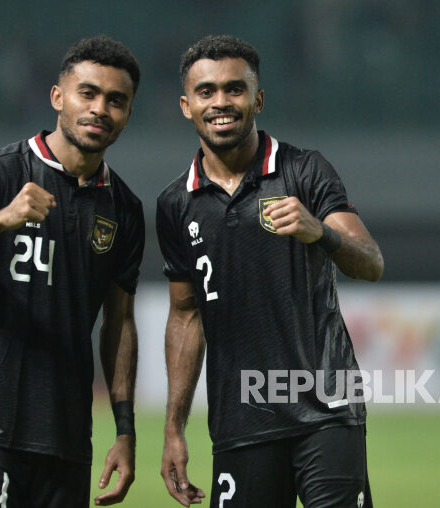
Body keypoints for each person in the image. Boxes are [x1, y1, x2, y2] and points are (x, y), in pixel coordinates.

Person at [157, 35, 384, 508]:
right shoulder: (175, 204)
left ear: (257, 99)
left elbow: (370, 261)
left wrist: (319, 231)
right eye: (206, 91)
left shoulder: (305, 171)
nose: (221, 102)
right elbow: (185, 315)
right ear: (186, 105)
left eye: (234, 89)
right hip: (241, 420)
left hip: (328, 406)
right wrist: (173, 429)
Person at [0, 35, 144, 508]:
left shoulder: (124, 209)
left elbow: (120, 322)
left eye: (116, 100)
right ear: (58, 97)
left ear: (127, 114)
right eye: (87, 93)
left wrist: (125, 430)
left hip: (66, 435)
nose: (100, 109)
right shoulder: (1, 170)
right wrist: (2, 218)